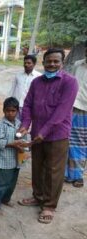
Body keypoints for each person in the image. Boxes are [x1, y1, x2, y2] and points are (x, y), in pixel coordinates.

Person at [17, 48, 78, 224]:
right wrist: (25, 125)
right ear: (43, 63)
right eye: (48, 61)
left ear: (62, 63)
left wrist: (43, 133)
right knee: (37, 166)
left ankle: (49, 205)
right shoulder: (36, 82)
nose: (52, 64)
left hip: (57, 135)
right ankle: (38, 196)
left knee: (54, 170)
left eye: (56, 61)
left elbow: (61, 112)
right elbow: (27, 105)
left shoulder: (70, 82)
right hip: (37, 133)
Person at [0, 97, 25, 216]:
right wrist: (13, 144)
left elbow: (24, 138)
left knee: (12, 183)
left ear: (17, 111)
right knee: (1, 183)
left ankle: (5, 199)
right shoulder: (0, 124)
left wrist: (24, 145)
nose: (10, 113)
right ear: (4, 111)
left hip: (17, 159)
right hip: (5, 160)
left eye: (13, 111)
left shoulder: (19, 124)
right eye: (8, 111)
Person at [65, 40, 87, 188]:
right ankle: (69, 174)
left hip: (85, 110)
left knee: (82, 144)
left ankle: (79, 175)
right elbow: (70, 84)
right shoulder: (78, 64)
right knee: (69, 142)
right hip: (72, 107)